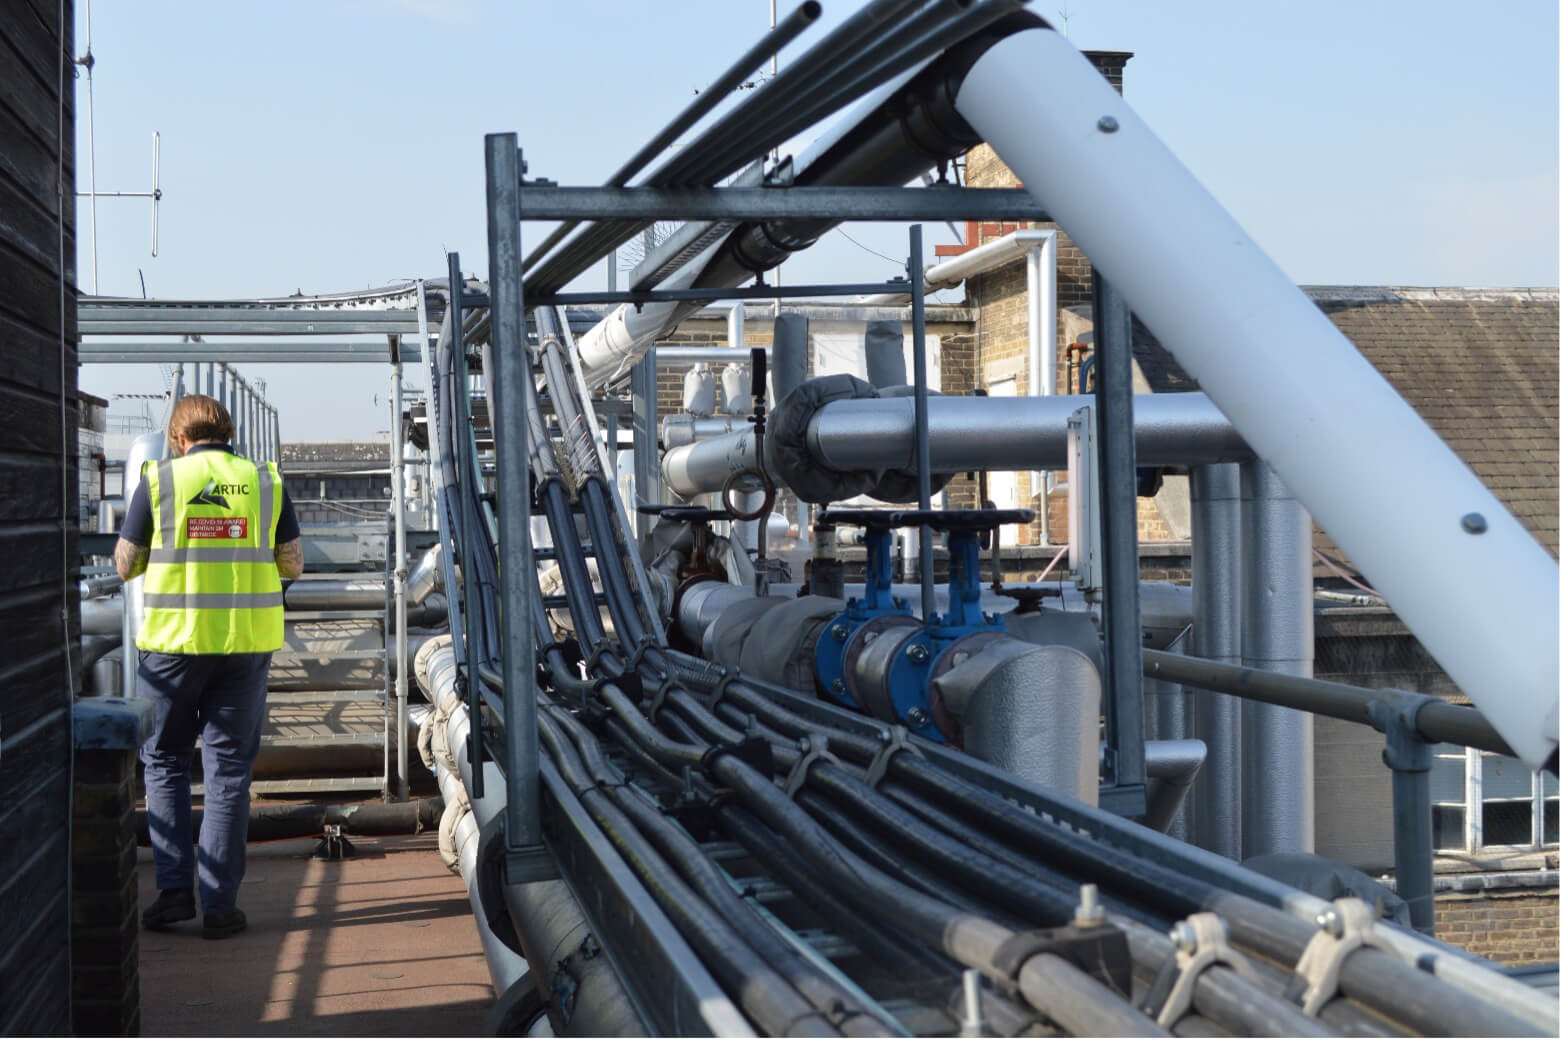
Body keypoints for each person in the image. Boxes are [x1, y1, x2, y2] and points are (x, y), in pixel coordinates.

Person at [114, 394, 303, 939]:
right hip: (244, 648)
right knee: (228, 775)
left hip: (171, 649)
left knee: (166, 761)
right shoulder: (265, 483)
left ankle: (174, 893)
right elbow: (292, 561)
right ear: (230, 432)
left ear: (177, 438)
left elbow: (125, 565)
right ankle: (221, 907)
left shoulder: (160, 482)